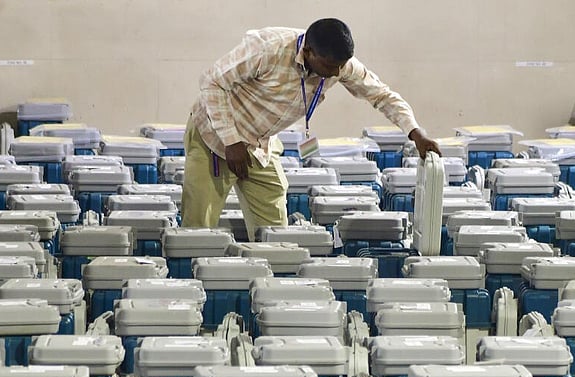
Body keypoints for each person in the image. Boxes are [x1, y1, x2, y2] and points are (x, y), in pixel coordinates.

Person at [182, 18, 440, 239]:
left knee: (275, 231)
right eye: (330, 66)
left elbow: (382, 96)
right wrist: (231, 140)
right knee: (198, 226)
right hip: (214, 138)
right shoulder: (267, 49)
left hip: (259, 145)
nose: (337, 72)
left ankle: (272, 282)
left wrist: (415, 132)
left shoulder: (340, 65)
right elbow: (212, 81)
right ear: (308, 52)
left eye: (341, 65)